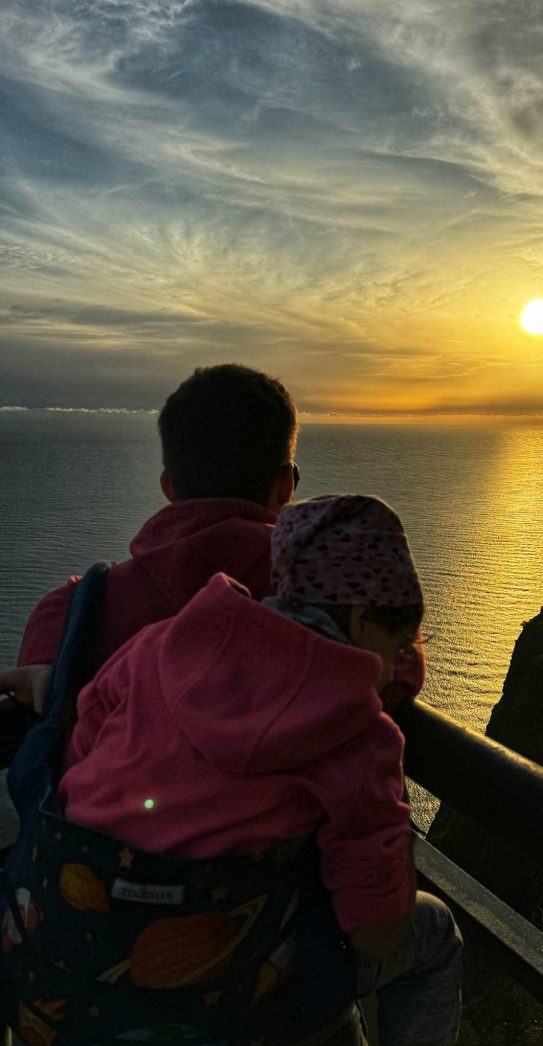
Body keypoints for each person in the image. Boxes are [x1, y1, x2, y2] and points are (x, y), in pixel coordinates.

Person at [5, 495, 462, 1046]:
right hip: (228, 1002)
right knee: (436, 937)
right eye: (397, 645)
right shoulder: (362, 739)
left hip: (58, 966)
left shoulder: (159, 645)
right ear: (363, 620)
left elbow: (83, 741)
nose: (392, 668)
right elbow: (376, 935)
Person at [0, 363, 423, 728]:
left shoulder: (67, 613)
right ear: (285, 486)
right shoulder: (328, 607)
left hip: (101, 821)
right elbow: (399, 670)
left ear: (168, 486)